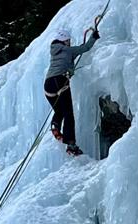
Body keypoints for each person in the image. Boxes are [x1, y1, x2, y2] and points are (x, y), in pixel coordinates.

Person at [44, 25, 99, 156]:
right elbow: (84, 48)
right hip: (60, 81)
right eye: (68, 41)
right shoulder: (67, 50)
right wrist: (94, 37)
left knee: (59, 110)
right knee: (68, 113)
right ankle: (71, 144)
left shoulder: (55, 51)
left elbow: (70, 56)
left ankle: (55, 126)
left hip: (48, 85)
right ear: (64, 40)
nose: (69, 43)